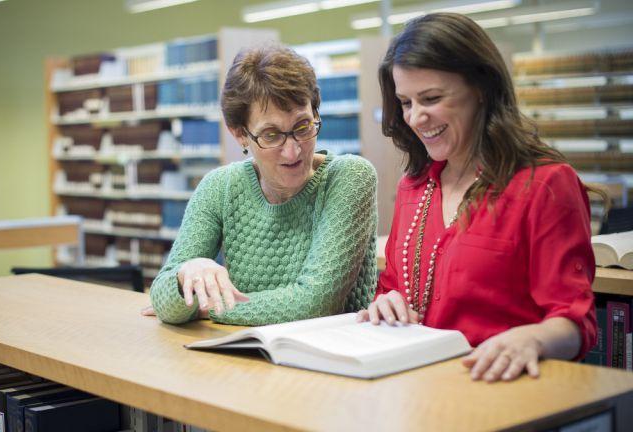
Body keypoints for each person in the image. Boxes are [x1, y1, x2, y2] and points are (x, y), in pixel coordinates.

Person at [357, 13, 598, 383]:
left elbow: (575, 321)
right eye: (405, 102)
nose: (416, 118)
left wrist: (534, 339)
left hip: (498, 388)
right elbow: (392, 286)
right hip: (415, 386)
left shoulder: (545, 185)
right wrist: (385, 304)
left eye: (432, 98)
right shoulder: (413, 187)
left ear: (481, 88)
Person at [148, 44, 378, 325]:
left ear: (315, 113)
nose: (293, 151)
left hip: (333, 359)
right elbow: (162, 299)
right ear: (240, 135)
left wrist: (207, 308)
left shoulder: (349, 177)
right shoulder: (220, 187)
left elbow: (316, 302)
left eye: (303, 126)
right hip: (249, 355)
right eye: (271, 135)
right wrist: (186, 272)